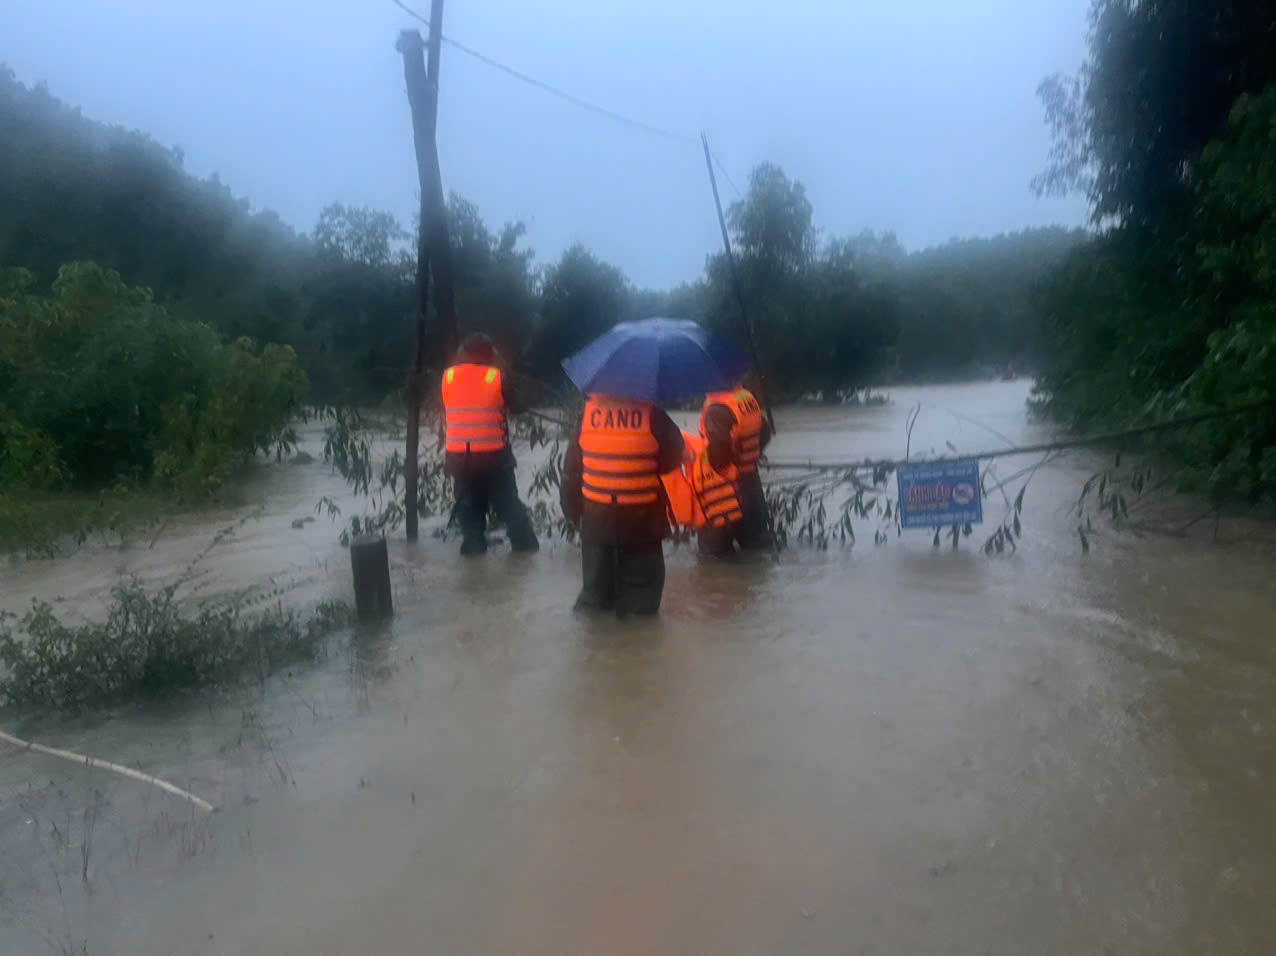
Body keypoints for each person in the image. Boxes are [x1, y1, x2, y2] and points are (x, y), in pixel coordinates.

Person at [560, 394, 685, 616]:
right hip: (642, 525)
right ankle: (638, 648)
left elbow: (571, 473)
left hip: (596, 526)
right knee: (642, 607)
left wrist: (574, 516)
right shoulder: (653, 415)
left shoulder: (587, 417)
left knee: (594, 604)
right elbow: (673, 457)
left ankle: (594, 648)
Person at [440, 333, 539, 557]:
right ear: (489, 354)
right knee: (509, 507)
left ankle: (474, 559)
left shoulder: (449, 377)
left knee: (469, 511)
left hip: (459, 461)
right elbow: (517, 406)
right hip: (493, 459)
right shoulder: (496, 377)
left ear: (464, 353)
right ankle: (527, 552)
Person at [697, 381, 772, 554]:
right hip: (752, 489)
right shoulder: (746, 398)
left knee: (715, 565)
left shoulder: (717, 407)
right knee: (758, 556)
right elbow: (765, 433)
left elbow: (719, 457)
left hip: (724, 495)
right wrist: (748, 455)